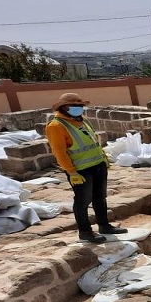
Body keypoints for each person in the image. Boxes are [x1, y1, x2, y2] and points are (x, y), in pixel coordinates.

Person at [45, 93, 127, 244]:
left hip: (98, 165)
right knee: (83, 201)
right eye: (74, 106)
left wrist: (103, 159)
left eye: (80, 106)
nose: (79, 108)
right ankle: (85, 232)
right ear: (64, 107)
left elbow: (93, 141)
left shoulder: (83, 121)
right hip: (81, 170)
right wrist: (71, 172)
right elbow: (59, 152)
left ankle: (104, 225)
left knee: (100, 198)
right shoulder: (56, 126)